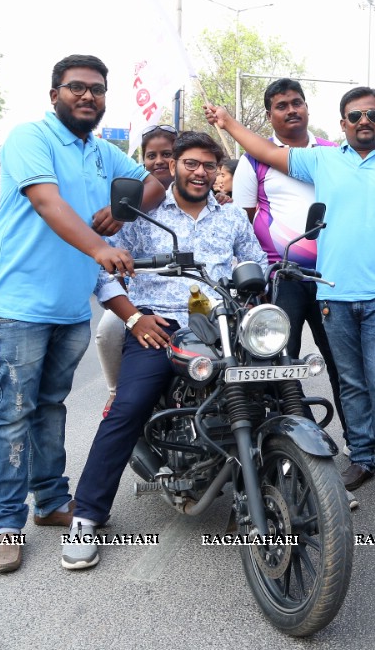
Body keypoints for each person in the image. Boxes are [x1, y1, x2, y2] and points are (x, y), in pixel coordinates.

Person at [206, 88, 375, 502]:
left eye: (372, 114)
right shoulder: (323, 160)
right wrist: (228, 122)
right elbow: (265, 150)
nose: (364, 121)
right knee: (349, 381)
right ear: (342, 123)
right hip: (334, 293)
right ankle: (363, 456)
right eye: (355, 116)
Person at [0, 54, 165, 574]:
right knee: (11, 412)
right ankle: (3, 523)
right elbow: (47, 203)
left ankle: (51, 502)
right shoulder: (29, 138)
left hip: (67, 306)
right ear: (54, 93)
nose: (88, 96)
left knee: (51, 405)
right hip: (15, 304)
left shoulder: (102, 153)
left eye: (97, 90)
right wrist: (101, 247)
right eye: (77, 87)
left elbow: (154, 183)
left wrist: (123, 209)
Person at [63, 131, 266, 569]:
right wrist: (135, 317)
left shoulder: (231, 218)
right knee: (128, 406)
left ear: (217, 172)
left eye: (209, 165)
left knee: (273, 386)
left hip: (222, 323)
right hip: (162, 324)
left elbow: (257, 264)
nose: (200, 172)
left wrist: (257, 287)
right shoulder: (140, 216)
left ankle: (303, 478)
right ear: (173, 166)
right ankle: (86, 517)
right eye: (191, 163)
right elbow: (105, 273)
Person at [230, 78, 345, 436]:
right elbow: (241, 225)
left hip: (331, 277)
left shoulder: (333, 152)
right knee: (282, 366)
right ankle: (302, 441)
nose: (291, 110)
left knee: (343, 366)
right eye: (282, 106)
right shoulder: (253, 162)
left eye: (297, 102)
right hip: (281, 279)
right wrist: (254, 282)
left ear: (307, 108)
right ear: (269, 115)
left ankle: (360, 448)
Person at [94, 125, 177, 418]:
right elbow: (107, 259)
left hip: (192, 300)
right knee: (107, 330)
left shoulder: (205, 198)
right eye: (150, 155)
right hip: (139, 300)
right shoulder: (129, 207)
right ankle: (117, 392)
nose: (158, 161)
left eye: (166, 154)